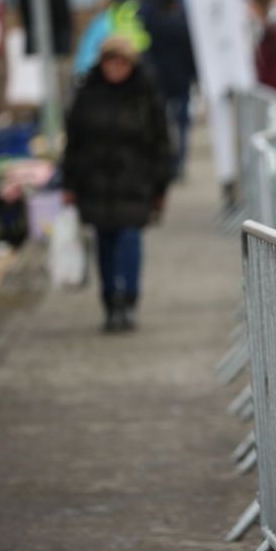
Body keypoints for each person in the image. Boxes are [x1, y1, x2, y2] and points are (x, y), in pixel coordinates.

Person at [62, 36, 172, 333]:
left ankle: (129, 299)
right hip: (95, 184)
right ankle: (110, 301)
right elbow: (74, 141)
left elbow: (161, 141)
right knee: (104, 244)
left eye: (121, 62)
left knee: (129, 240)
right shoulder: (87, 93)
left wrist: (161, 185)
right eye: (110, 61)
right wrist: (69, 183)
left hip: (135, 184)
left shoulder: (145, 95)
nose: (115, 68)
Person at [142, 0, 197, 180]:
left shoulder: (154, 26)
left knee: (162, 125)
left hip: (160, 81)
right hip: (181, 81)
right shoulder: (183, 27)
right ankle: (179, 162)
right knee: (181, 125)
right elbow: (191, 56)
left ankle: (167, 162)